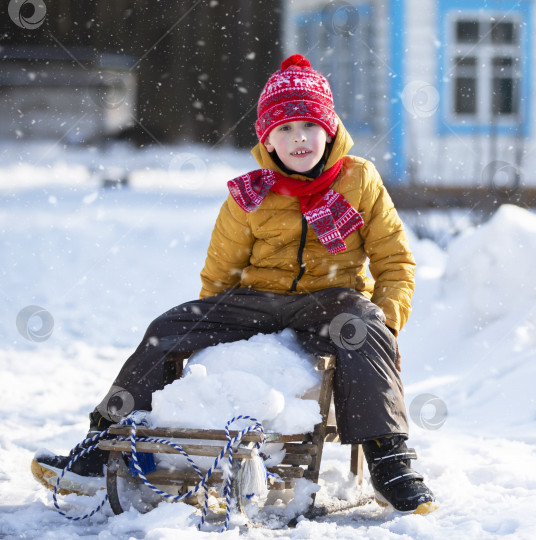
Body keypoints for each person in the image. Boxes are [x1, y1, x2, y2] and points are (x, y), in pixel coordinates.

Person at [31, 54, 438, 515]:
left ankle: (389, 457)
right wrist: (207, 329)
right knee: (171, 324)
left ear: (329, 128)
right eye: (283, 129)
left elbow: (395, 261)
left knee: (365, 322)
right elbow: (220, 274)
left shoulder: (358, 180)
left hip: (330, 301)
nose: (298, 138)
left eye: (308, 124)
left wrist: (386, 319)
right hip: (255, 301)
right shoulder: (250, 194)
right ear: (266, 137)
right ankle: (102, 439)